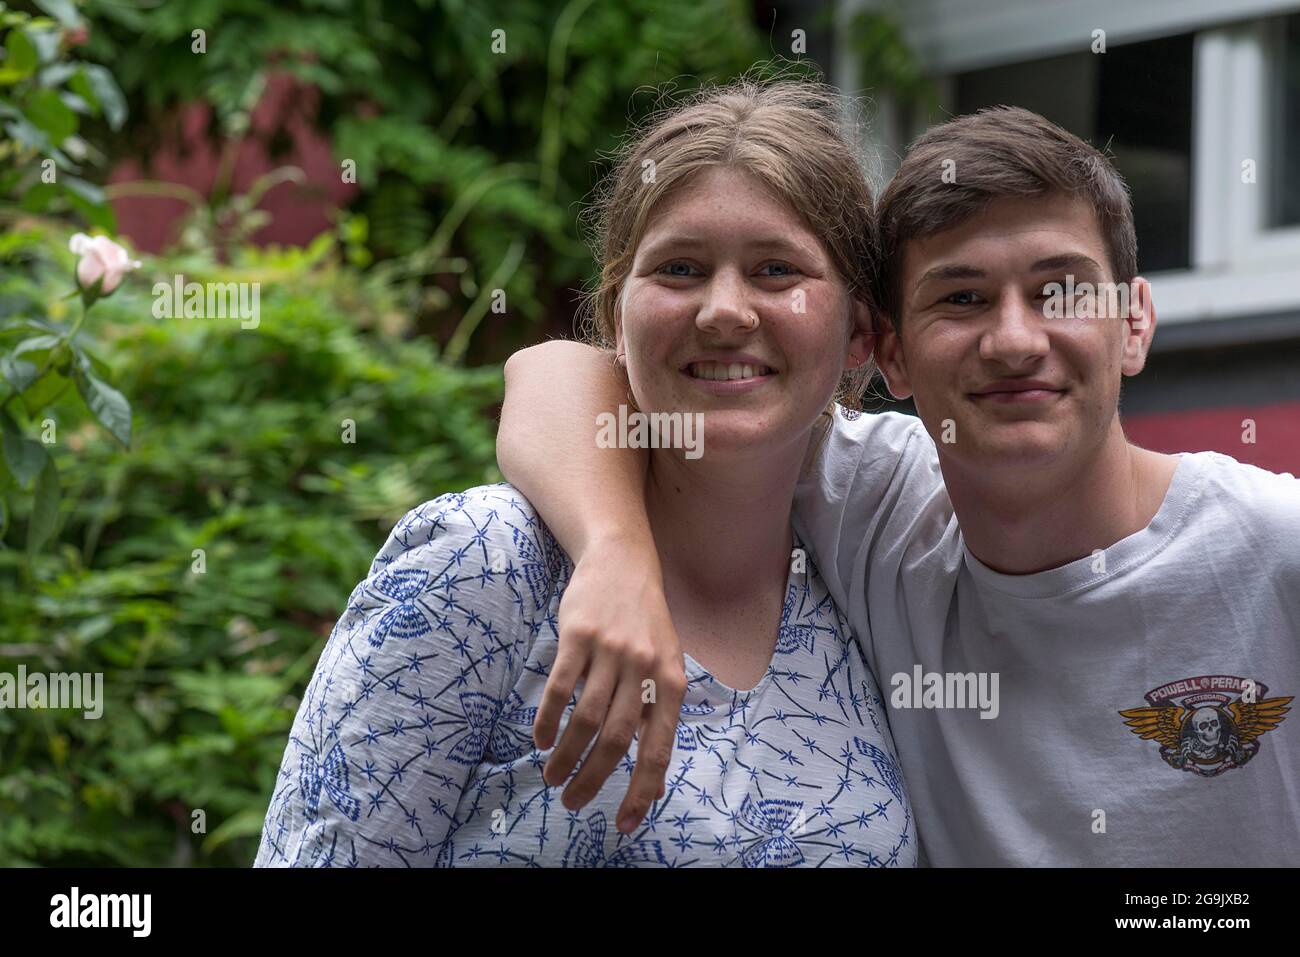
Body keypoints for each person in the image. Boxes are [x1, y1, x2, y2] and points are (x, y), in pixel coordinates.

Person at [496, 106, 1300, 866]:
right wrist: (615, 553)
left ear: (1133, 323)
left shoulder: (1275, 547)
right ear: (890, 352)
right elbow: (556, 375)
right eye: (962, 298)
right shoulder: (881, 508)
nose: (1015, 340)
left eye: (1060, 291)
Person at [254, 77, 917, 868]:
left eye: (777, 271)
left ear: (860, 338)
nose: (724, 310)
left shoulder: (869, 570)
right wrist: (612, 549)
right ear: (616, 318)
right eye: (679, 269)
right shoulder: (486, 564)